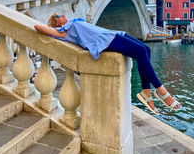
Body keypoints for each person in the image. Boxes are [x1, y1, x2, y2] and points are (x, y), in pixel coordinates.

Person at [34, 13, 182, 115]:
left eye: (60, 15)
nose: (62, 17)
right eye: (57, 18)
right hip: (106, 42)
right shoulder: (63, 32)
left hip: (113, 34)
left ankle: (146, 92)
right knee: (141, 53)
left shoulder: (74, 22)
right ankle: (161, 90)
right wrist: (53, 29)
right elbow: (37, 27)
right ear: (56, 24)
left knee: (146, 50)